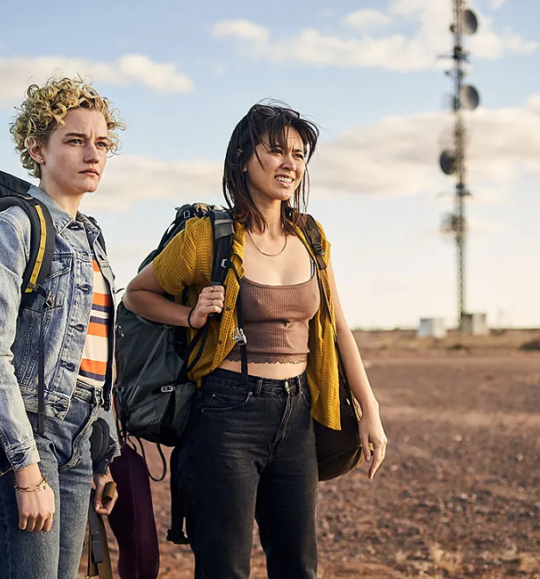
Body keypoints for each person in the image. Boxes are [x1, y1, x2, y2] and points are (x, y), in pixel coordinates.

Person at [123, 102, 389, 579]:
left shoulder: (311, 235)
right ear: (243, 157)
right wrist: (189, 315)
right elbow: (137, 295)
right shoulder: (208, 237)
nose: (291, 163)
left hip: (298, 412)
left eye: (299, 154)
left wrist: (369, 409)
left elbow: (337, 326)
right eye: (277, 150)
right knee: (224, 568)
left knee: (298, 566)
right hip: (227, 413)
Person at [0, 76, 123, 579]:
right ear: (36, 150)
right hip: (27, 434)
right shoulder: (12, 227)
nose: (92, 154)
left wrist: (101, 457)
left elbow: (95, 358)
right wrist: (25, 467)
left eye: (101, 143)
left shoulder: (91, 237)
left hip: (78, 439)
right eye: (75, 140)